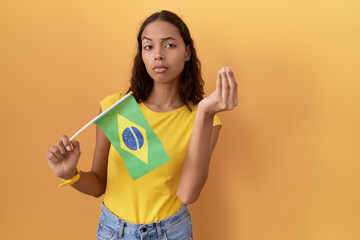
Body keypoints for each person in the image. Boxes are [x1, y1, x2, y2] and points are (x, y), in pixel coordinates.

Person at [45, 10, 238, 240]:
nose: (158, 55)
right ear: (142, 55)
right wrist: (70, 173)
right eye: (148, 47)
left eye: (169, 45)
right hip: (113, 232)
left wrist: (205, 113)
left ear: (187, 52)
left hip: (171, 232)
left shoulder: (205, 119)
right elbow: (98, 185)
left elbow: (187, 194)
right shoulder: (116, 108)